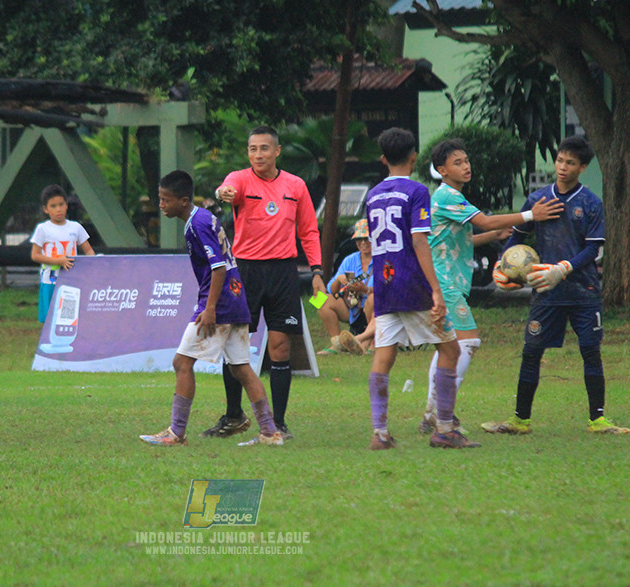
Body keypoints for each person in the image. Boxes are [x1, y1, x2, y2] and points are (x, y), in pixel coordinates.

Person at [483, 135, 630, 435]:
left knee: (590, 351)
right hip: (545, 293)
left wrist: (563, 268)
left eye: (571, 163)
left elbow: (593, 250)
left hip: (583, 292)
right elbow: (517, 237)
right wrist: (504, 266)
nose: (563, 167)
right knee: (531, 352)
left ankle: (598, 420)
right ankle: (520, 421)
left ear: (583, 167)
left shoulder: (590, 203)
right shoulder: (538, 200)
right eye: (560, 160)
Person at [419, 138, 563, 433]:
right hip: (443, 283)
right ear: (441, 170)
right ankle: (441, 412)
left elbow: (462, 239)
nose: (466, 166)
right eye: (457, 162)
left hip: (448, 283)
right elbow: (483, 221)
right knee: (467, 343)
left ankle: (433, 411)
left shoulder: (448, 197)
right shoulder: (448, 196)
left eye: (466, 160)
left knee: (447, 347)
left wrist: (495, 234)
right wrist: (529, 215)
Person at [139, 171, 282, 447]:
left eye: (165, 200)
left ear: (183, 200)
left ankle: (176, 433)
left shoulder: (197, 223)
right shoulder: (203, 218)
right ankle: (269, 432)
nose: (161, 205)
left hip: (221, 303)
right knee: (241, 369)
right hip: (236, 299)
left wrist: (211, 308)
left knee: (182, 362)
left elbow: (218, 268)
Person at [202, 125, 326, 440]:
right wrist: (222, 193)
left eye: (264, 149)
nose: (258, 154)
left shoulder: (295, 186)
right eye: (253, 149)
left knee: (281, 347)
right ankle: (233, 416)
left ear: (277, 151)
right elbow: (226, 189)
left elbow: (309, 231)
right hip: (244, 273)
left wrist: (316, 271)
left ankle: (279, 424)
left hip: (283, 273)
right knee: (235, 346)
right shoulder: (240, 179)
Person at [364, 127, 480, 450]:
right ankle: (443, 428)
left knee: (383, 355)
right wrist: (435, 290)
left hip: (385, 285)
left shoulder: (372, 195)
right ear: (414, 157)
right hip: (412, 284)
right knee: (451, 349)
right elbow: (418, 240)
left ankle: (380, 433)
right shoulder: (416, 192)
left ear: (384, 159)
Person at [30, 184, 95, 323]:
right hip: (50, 281)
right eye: (53, 206)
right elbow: (35, 255)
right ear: (45, 209)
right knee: (50, 320)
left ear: (66, 205)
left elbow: (88, 249)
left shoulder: (76, 227)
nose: (58, 209)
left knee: (70, 318)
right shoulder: (42, 229)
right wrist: (58, 261)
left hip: (72, 280)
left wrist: (93, 264)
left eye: (61, 204)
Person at [317, 218, 372, 356]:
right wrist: (339, 280)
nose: (363, 242)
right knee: (319, 299)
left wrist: (365, 290)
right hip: (352, 306)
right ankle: (337, 343)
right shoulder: (349, 260)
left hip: (374, 309)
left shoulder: (383, 259)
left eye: (367, 238)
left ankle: (369, 342)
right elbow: (332, 290)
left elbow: (389, 290)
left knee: (374, 299)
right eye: (359, 239)